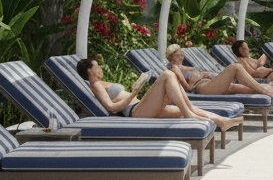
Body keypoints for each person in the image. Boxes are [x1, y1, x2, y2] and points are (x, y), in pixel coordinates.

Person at [75, 57, 243, 134]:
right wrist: (134, 92)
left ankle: (222, 121)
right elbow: (111, 108)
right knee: (167, 74)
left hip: (142, 107)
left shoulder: (101, 83)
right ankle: (189, 114)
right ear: (90, 70)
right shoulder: (96, 86)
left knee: (190, 106)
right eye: (97, 66)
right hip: (136, 111)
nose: (100, 69)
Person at [166, 44, 273, 98]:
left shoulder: (187, 66)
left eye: (181, 52)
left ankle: (268, 89)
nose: (181, 54)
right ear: (171, 56)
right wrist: (196, 78)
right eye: (177, 53)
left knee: (243, 89)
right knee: (235, 67)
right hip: (201, 88)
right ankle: (263, 89)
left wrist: (205, 74)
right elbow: (188, 88)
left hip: (210, 82)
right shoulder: (174, 68)